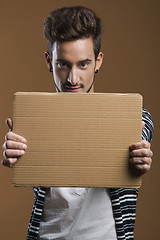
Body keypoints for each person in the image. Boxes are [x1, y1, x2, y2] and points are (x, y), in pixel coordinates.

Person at [2, 6, 153, 240]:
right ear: (49, 61)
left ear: (98, 61)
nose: (73, 79)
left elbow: (142, 135)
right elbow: (18, 155)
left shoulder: (134, 118)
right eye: (63, 64)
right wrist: (14, 150)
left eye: (83, 64)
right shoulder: (33, 120)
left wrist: (139, 156)